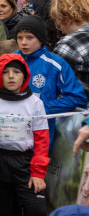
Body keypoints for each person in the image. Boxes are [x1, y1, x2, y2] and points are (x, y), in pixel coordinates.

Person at [0, 53, 49, 216]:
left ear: (24, 75)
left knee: (36, 211)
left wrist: (38, 172)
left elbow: (42, 139)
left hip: (25, 162)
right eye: (6, 72)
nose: (11, 76)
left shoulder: (35, 103)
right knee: (4, 213)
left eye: (16, 72)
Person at [12, 15, 87, 144]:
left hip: (40, 137)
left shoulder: (55, 64)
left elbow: (77, 98)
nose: (24, 42)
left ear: (41, 39)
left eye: (30, 37)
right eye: (20, 38)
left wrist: (42, 109)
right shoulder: (10, 61)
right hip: (10, 136)